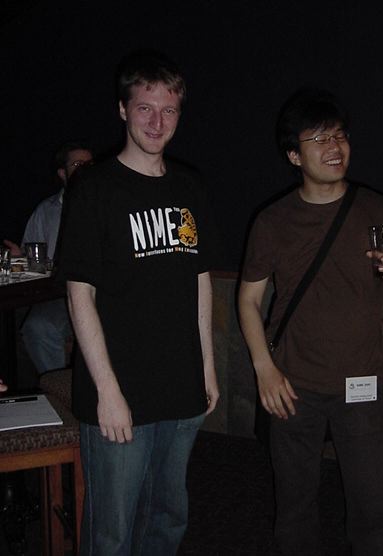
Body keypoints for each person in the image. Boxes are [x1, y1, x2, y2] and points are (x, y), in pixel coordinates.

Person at [238, 88, 383, 556]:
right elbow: (249, 299)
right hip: (292, 384)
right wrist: (264, 369)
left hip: (361, 382)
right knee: (295, 507)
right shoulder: (273, 220)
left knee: (374, 509)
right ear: (294, 155)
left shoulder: (377, 208)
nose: (334, 146)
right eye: (318, 138)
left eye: (339, 135)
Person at [58, 50, 219, 555]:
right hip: (119, 388)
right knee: (111, 532)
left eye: (168, 110)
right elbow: (79, 294)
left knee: (168, 519)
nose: (156, 122)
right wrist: (107, 391)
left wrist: (208, 368)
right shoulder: (94, 187)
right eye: (145, 108)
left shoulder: (190, 185)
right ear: (123, 109)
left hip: (181, 385)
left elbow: (200, 280)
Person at [3, 142, 93, 374]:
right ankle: (61, 389)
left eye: (90, 163)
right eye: (77, 164)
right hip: (59, 295)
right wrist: (20, 260)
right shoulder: (46, 211)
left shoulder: (109, 203)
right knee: (36, 327)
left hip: (102, 294)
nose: (85, 168)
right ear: (62, 174)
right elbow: (34, 261)